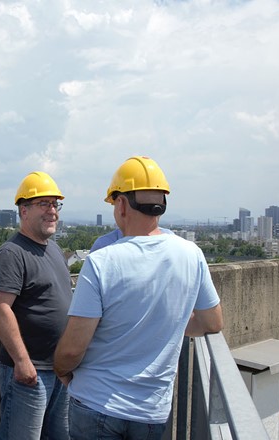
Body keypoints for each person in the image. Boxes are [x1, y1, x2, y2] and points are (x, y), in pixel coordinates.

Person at [54, 156, 224, 440]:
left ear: (121, 204)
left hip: (97, 403)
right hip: (150, 411)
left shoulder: (102, 261)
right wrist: (164, 325)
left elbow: (73, 348)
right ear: (161, 204)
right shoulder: (191, 254)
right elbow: (212, 322)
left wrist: (61, 369)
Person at [0, 171, 72, 440]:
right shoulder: (12, 254)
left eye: (55, 204)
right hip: (29, 374)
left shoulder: (53, 249)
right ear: (23, 211)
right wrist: (22, 362)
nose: (52, 211)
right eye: (44, 204)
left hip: (59, 370)